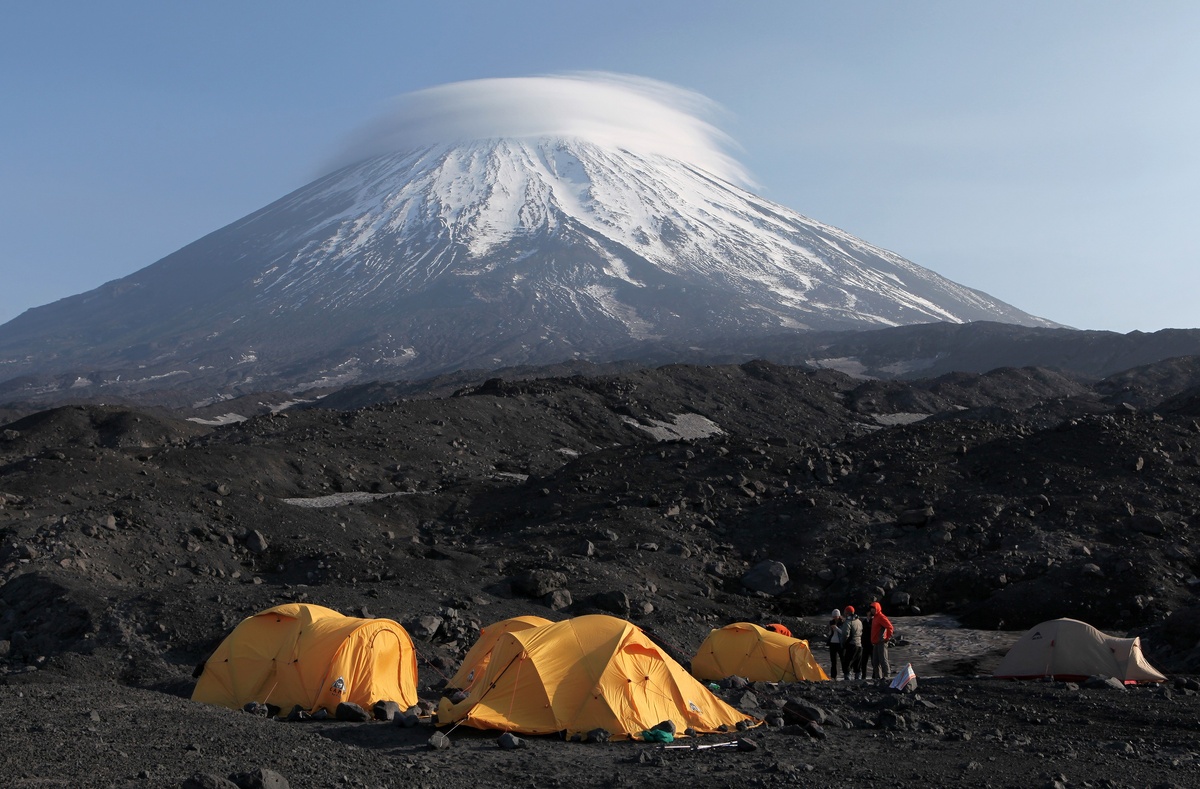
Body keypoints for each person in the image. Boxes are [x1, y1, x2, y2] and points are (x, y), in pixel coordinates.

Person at [870, 601, 894, 679]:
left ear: (877, 608)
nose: (872, 610)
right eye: (871, 608)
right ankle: (878, 678)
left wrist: (887, 638)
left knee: (883, 660)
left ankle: (887, 676)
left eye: (873, 608)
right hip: (875, 643)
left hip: (881, 642)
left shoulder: (881, 617)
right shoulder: (875, 618)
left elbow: (890, 627)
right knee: (875, 662)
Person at [839, 605, 862, 680]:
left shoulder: (848, 622)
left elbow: (845, 634)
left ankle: (847, 678)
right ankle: (858, 678)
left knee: (847, 663)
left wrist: (843, 643)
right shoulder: (859, 621)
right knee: (857, 663)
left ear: (847, 613)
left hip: (851, 644)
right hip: (859, 644)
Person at [826, 608, 845, 679]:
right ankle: (833, 676)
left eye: (836, 616)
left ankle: (845, 674)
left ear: (839, 616)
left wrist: (836, 628)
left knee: (843, 659)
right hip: (832, 643)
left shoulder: (843, 622)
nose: (834, 618)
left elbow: (843, 633)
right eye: (833, 616)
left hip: (840, 643)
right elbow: (830, 633)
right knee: (833, 661)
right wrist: (830, 631)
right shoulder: (831, 622)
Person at [858, 603, 874, 680]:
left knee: (873, 661)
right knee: (863, 661)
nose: (869, 614)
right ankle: (863, 676)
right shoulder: (864, 622)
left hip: (872, 644)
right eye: (869, 612)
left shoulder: (874, 621)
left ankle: (874, 676)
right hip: (865, 644)